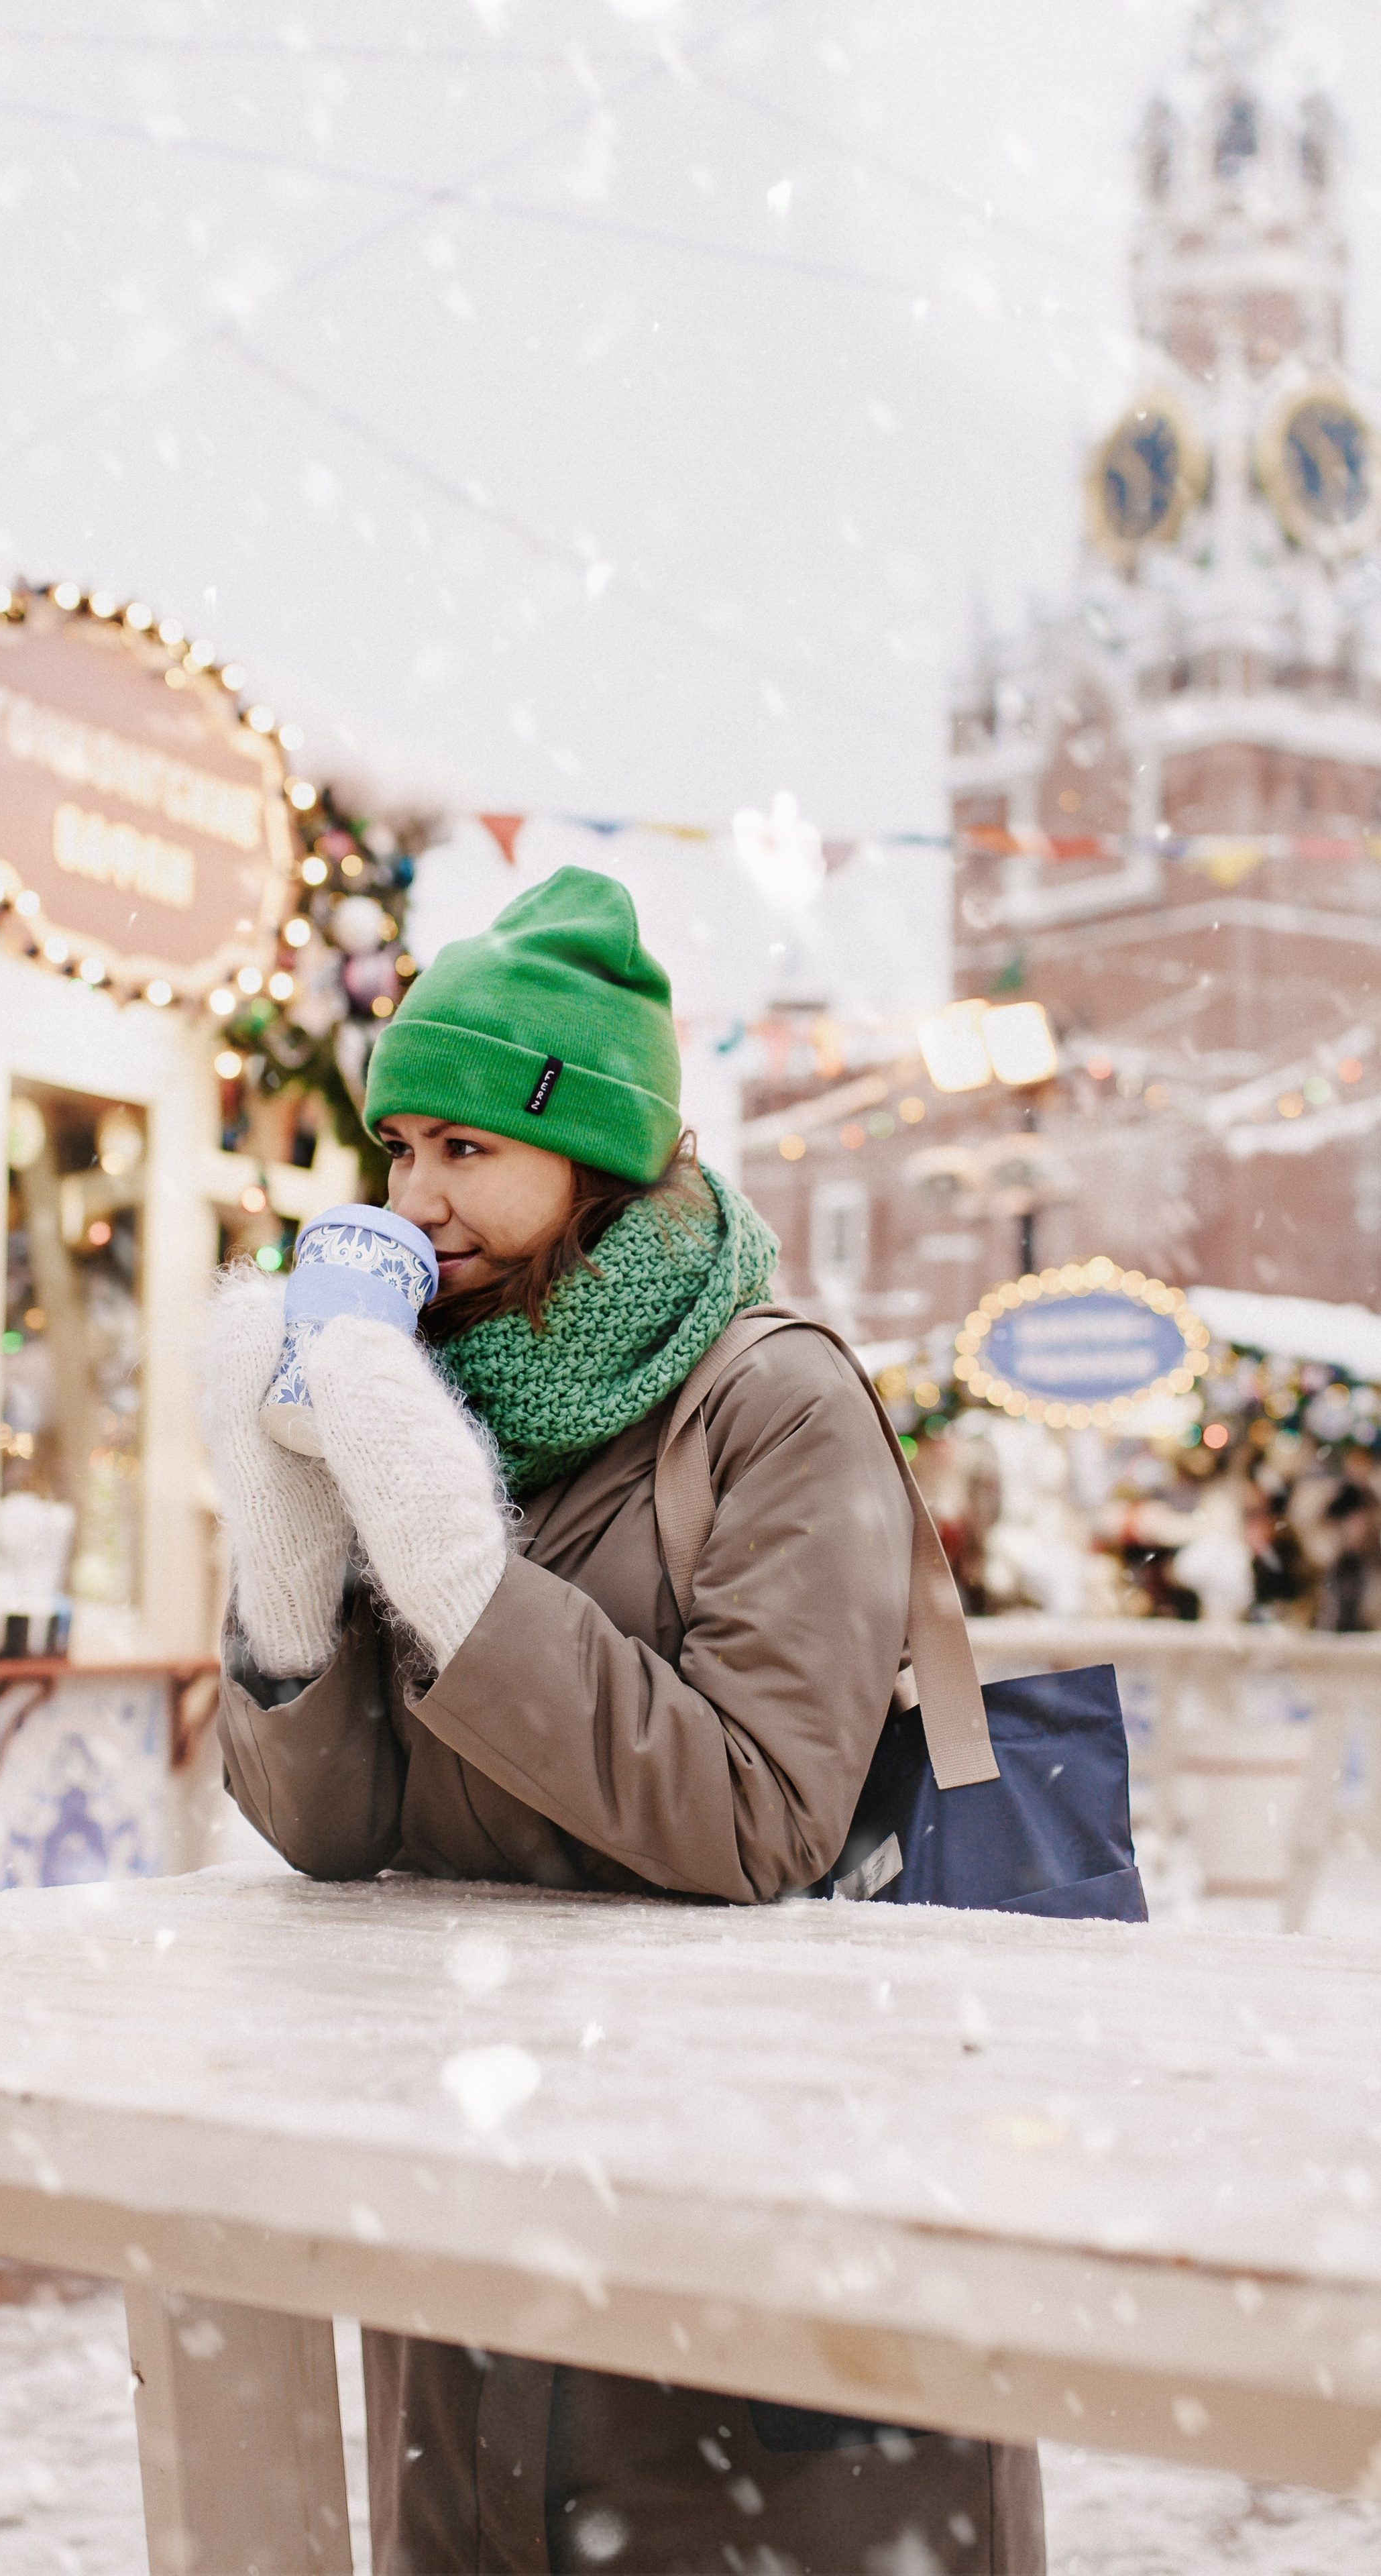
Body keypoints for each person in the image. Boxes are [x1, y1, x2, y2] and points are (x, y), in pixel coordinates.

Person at [204, 867, 1044, 2575]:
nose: (417, 1195)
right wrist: (289, 1564)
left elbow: (759, 1821)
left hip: (738, 2202)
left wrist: (455, 1564)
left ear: (593, 1156)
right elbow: (337, 1836)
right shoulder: (417, 1387)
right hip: (469, 2175)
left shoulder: (773, 1398)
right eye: (398, 1150)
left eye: (468, 1150)